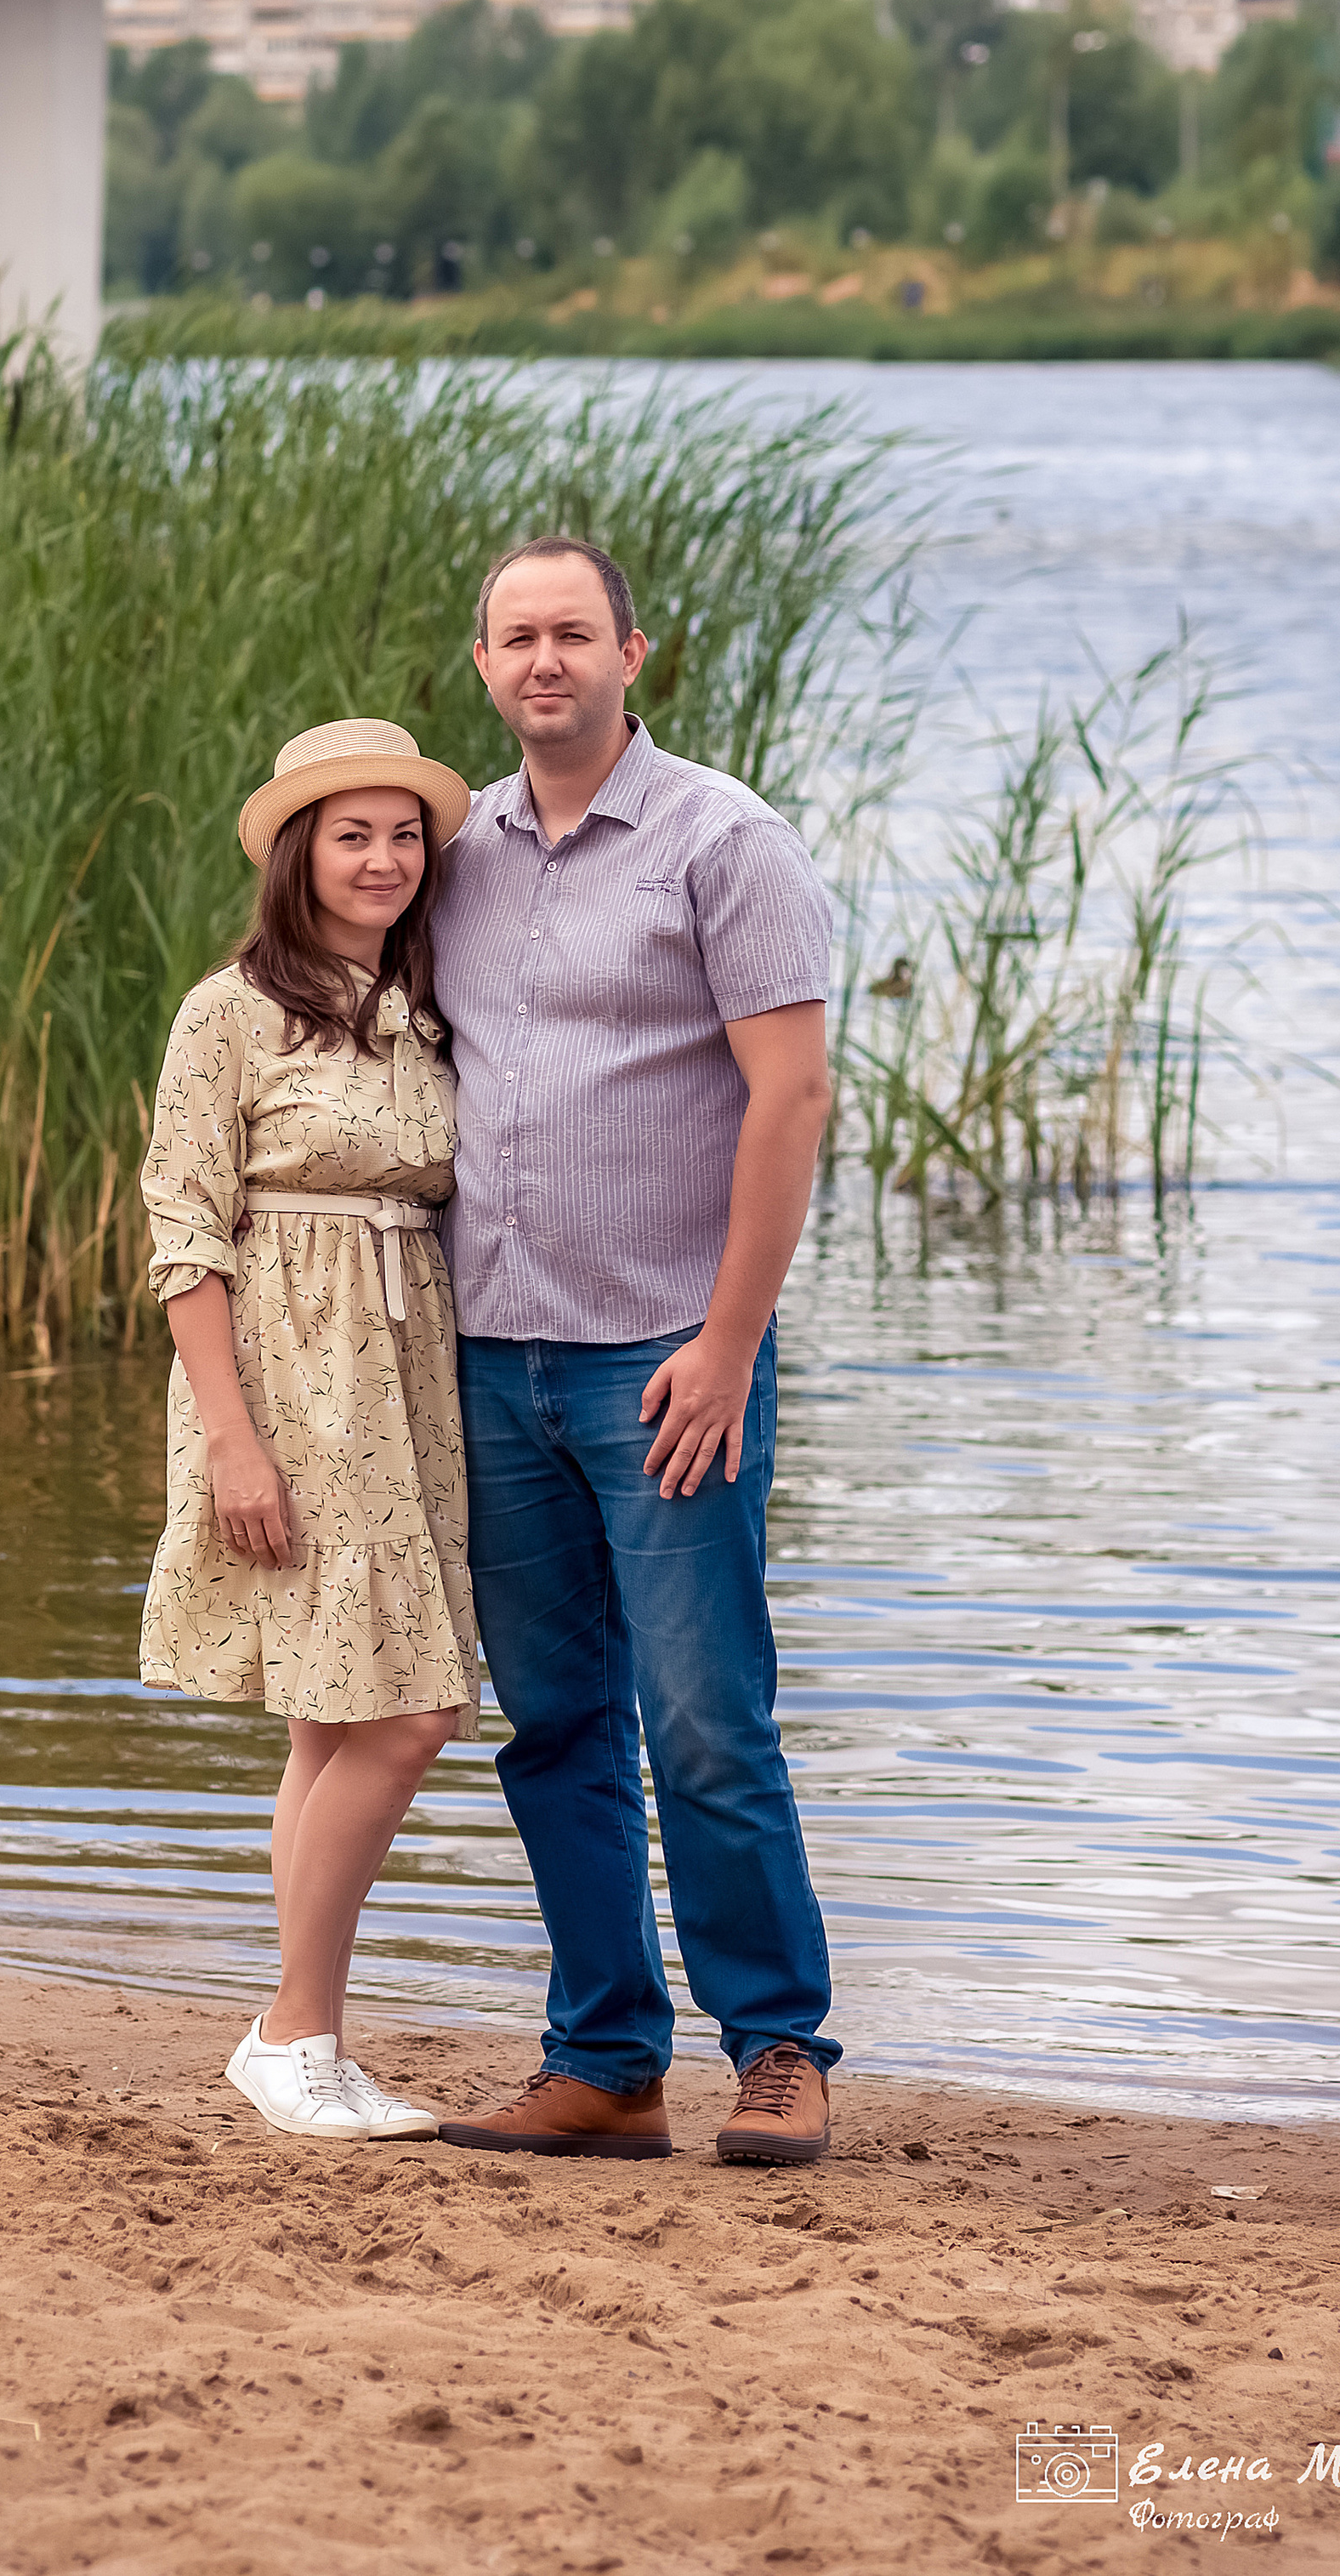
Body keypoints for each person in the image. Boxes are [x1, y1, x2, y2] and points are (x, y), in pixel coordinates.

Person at [431, 537, 841, 2166]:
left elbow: (792, 1096)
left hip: (667, 1357)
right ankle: (606, 2057)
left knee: (706, 1719)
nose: (548, 660)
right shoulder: (453, 846)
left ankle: (779, 2046)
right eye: (519, 636)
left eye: (575, 634)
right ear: (483, 663)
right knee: (554, 1723)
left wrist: (731, 1338)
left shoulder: (722, 841)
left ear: (632, 653)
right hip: (495, 1354)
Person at [138, 718, 476, 2141]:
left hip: (404, 1373)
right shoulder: (230, 1008)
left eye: (407, 833)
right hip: (287, 1374)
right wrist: (231, 1437)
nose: (387, 858)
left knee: (332, 1714)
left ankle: (298, 2040)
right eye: (355, 833)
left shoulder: (424, 1000)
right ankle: (297, 2026)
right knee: (414, 1711)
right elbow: (182, 1224)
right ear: (300, 850)